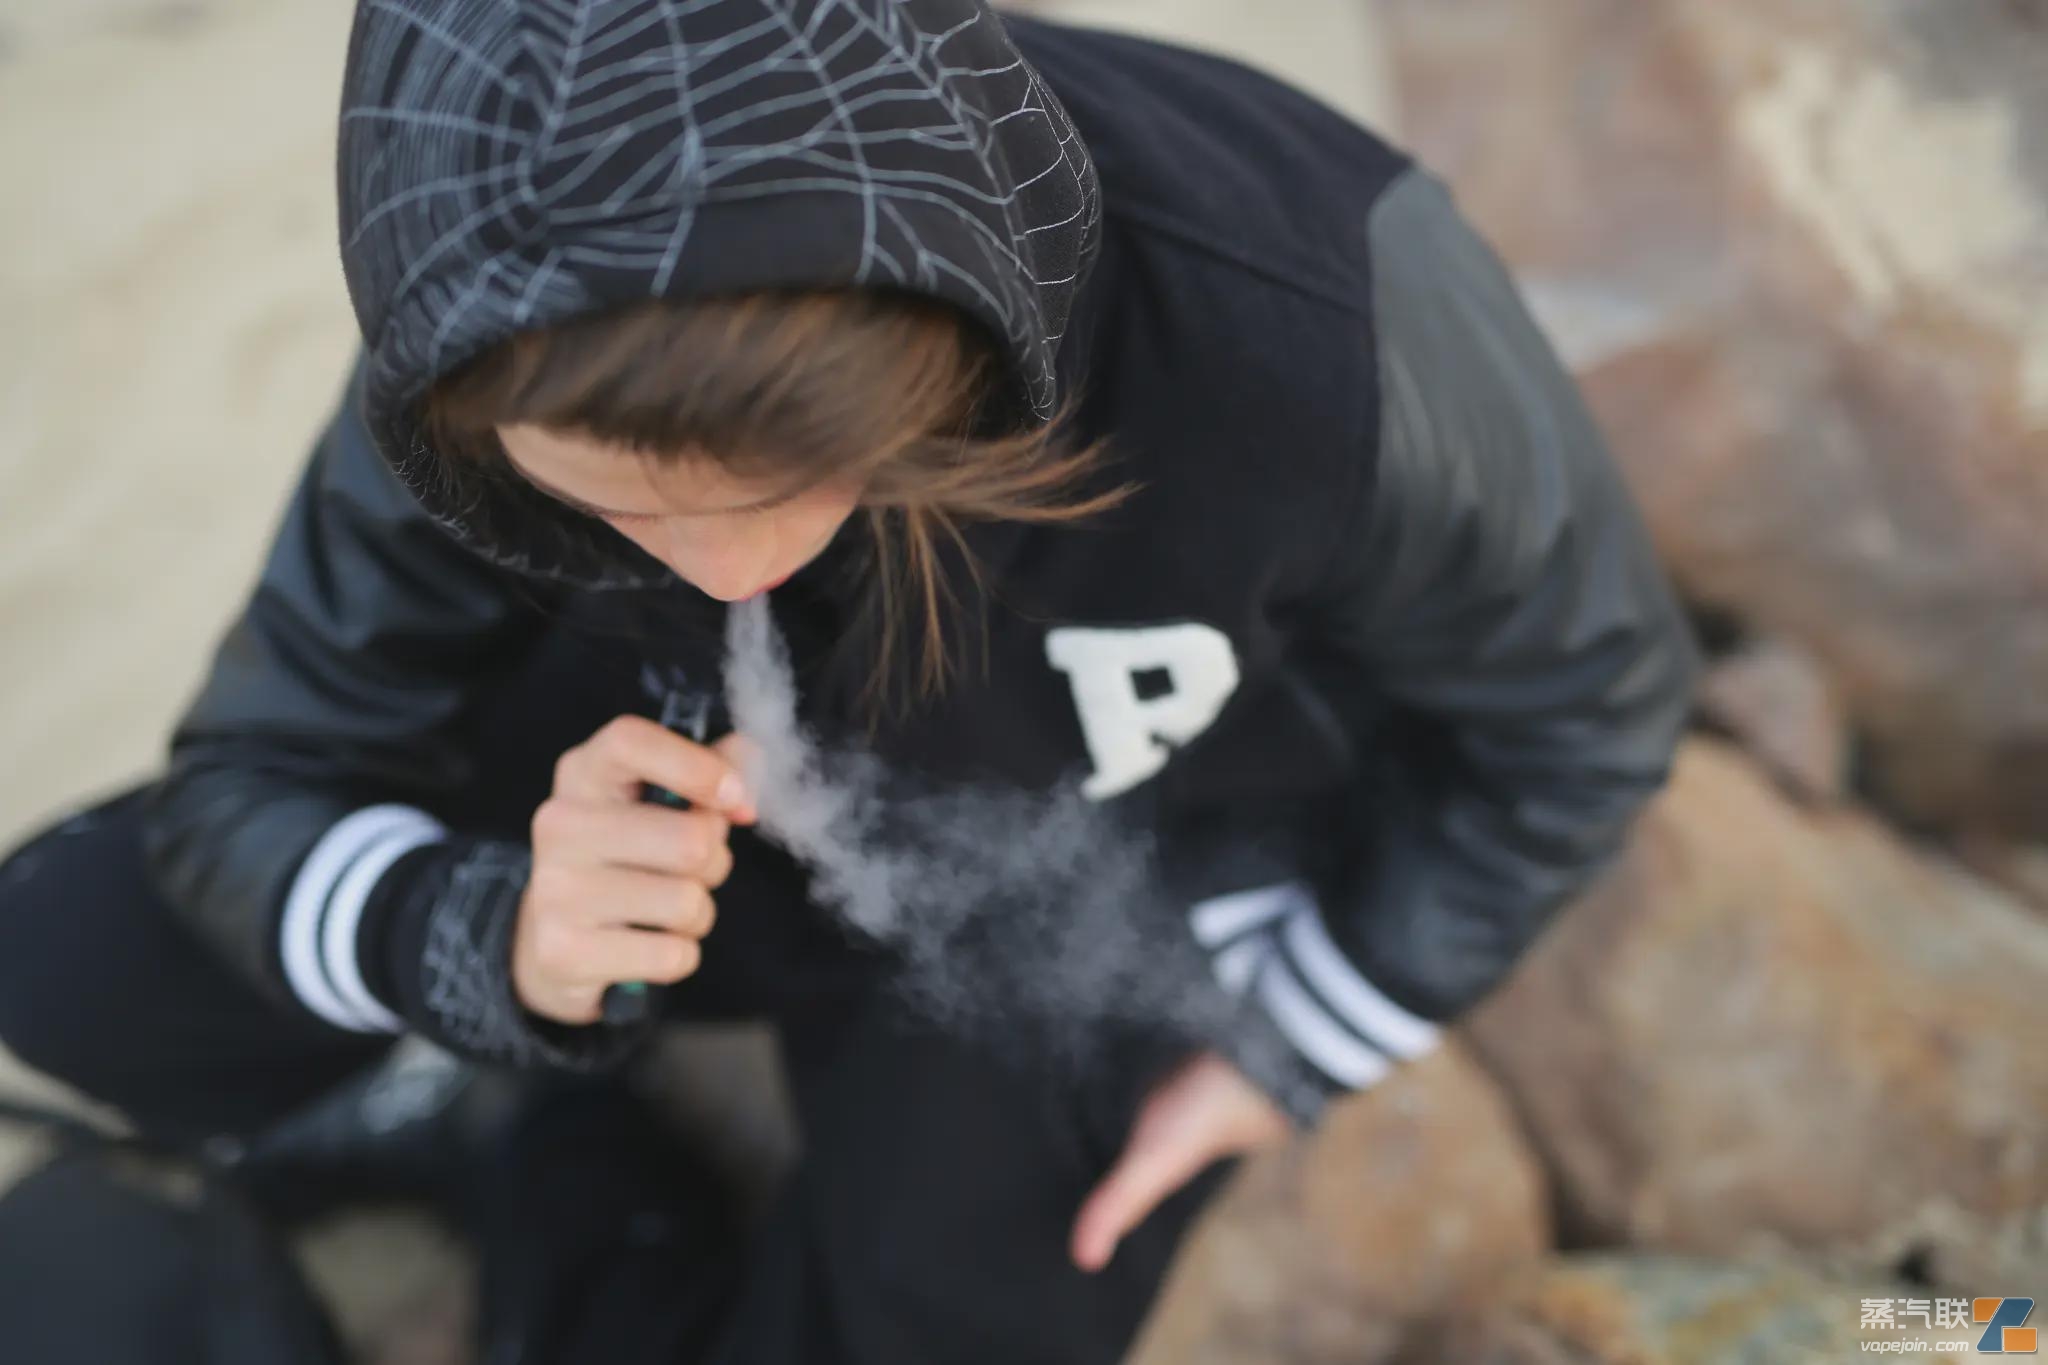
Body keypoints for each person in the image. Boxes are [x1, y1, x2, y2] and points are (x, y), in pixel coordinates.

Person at [0, 1, 1700, 1361]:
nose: (723, 571)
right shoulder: (473, 348)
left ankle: (566, 1176)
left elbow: (1592, 704)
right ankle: (478, 1087)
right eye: (616, 508)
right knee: (66, 953)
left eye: (792, 473)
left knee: (942, 1317)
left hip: (1087, 866)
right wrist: (493, 935)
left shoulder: (1317, 323)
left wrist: (1299, 1031)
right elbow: (256, 775)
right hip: (667, 813)